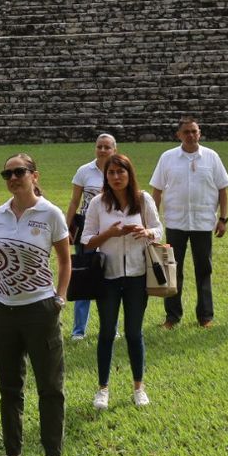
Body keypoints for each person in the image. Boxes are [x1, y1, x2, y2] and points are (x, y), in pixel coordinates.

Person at [0, 153, 71, 456]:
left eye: (19, 172)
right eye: (7, 173)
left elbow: (64, 261)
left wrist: (58, 298)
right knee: (9, 387)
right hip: (2, 311)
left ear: (34, 175)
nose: (13, 178)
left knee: (49, 386)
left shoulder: (51, 214)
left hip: (39, 311)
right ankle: (12, 453)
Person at [80, 153, 161, 409]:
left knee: (134, 333)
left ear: (129, 173)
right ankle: (103, 388)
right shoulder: (97, 203)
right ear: (105, 176)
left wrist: (146, 232)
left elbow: (159, 229)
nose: (116, 177)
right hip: (108, 277)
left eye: (121, 172)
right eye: (111, 173)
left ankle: (139, 387)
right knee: (106, 332)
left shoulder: (143, 199)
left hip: (137, 275)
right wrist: (110, 233)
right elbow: (86, 240)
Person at [148, 116, 228, 328]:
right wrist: (152, 220)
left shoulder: (211, 157)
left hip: (203, 224)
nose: (191, 136)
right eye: (186, 132)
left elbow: (223, 189)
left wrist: (223, 218)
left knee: (204, 270)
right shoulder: (167, 157)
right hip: (175, 223)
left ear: (200, 133)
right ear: (179, 135)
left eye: (194, 131)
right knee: (172, 269)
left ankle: (205, 316)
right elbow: (156, 190)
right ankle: (172, 316)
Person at [66, 133, 118, 340]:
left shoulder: (117, 171)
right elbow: (74, 201)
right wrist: (66, 226)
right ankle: (79, 330)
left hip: (111, 232)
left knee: (110, 280)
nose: (103, 150)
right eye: (100, 146)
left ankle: (111, 328)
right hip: (87, 232)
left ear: (114, 149)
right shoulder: (84, 171)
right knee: (83, 278)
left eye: (107, 147)